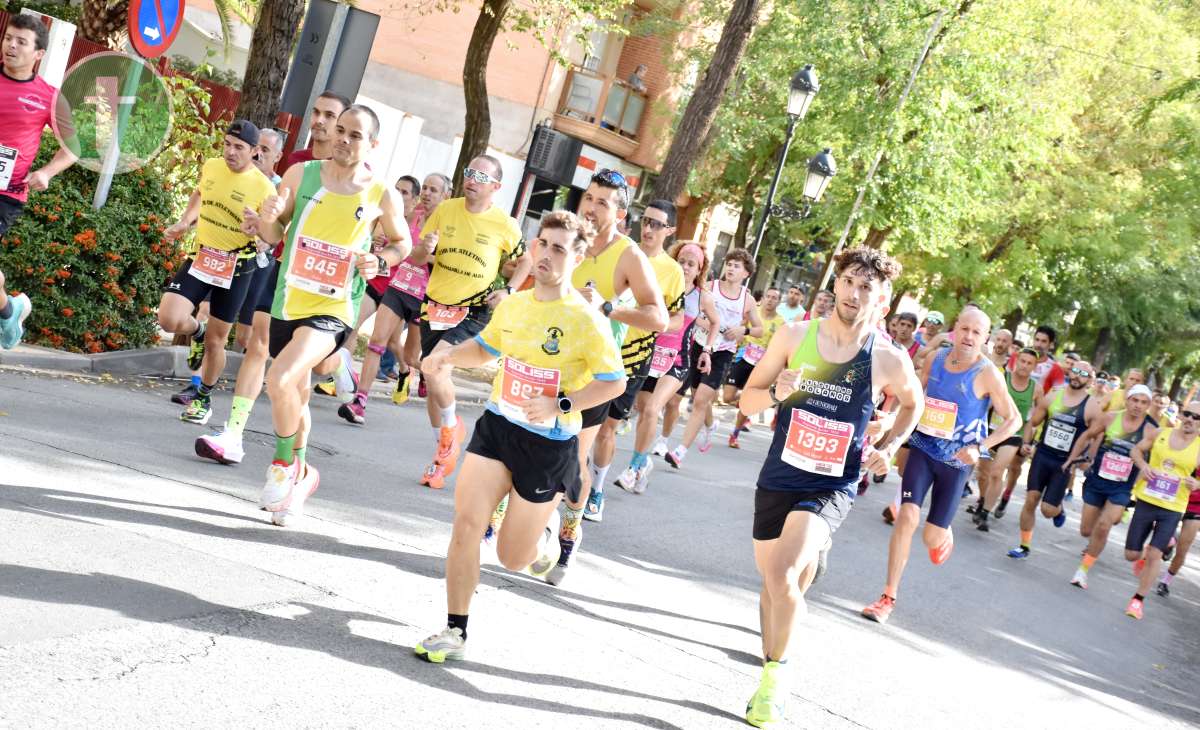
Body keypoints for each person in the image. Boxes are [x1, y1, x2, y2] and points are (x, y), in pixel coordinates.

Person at [412, 211, 626, 663]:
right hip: (498, 427)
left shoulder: (587, 320)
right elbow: (487, 348)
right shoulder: (513, 304)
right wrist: (449, 356)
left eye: (559, 249)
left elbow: (613, 382)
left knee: (512, 557)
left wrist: (562, 403)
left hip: (549, 444)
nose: (546, 254)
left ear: (579, 256)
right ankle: (455, 629)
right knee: (467, 525)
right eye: (542, 244)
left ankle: (545, 537)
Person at [740, 247, 922, 728]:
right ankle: (769, 667)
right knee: (773, 582)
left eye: (868, 288)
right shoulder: (795, 335)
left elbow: (913, 404)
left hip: (833, 483)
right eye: (849, 282)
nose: (855, 294)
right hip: (781, 472)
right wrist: (777, 392)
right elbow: (747, 398)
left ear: (881, 300)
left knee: (781, 572)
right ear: (835, 283)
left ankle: (775, 683)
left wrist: (890, 439)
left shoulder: (886, 358)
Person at [244, 105, 410, 526]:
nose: (343, 139)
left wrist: (380, 260)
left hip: (334, 308)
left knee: (279, 378)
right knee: (294, 395)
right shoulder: (303, 175)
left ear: (372, 145)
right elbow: (275, 232)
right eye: (340, 131)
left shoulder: (380, 192)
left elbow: (402, 242)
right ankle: (301, 475)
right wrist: (262, 221)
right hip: (288, 299)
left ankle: (282, 467)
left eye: (355, 135)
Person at [861, 308, 1020, 624]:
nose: (969, 337)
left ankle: (942, 532)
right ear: (954, 329)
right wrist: (891, 422)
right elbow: (915, 402)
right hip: (922, 447)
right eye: (964, 329)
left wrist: (980, 448)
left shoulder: (988, 373)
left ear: (985, 337)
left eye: (976, 332)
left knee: (930, 538)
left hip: (956, 461)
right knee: (906, 516)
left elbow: (1013, 420)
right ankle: (887, 596)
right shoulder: (936, 359)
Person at [549, 169, 667, 585]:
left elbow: (659, 318)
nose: (592, 207)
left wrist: (608, 308)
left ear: (620, 213)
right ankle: (505, 524)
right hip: (551, 362)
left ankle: (567, 535)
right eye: (589, 197)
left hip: (598, 373)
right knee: (527, 440)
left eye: (603, 202)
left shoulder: (629, 255)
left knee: (573, 456)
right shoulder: (567, 237)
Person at [410, 156, 530, 489]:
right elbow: (418, 258)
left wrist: (508, 290)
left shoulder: (504, 224)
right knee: (431, 378)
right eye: (469, 173)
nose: (472, 180)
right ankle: (442, 452)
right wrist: (424, 248)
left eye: (480, 176)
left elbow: (525, 261)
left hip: (474, 309)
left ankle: (452, 430)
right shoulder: (446, 210)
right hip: (434, 306)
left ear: (496, 186)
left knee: (435, 367)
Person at [157, 120, 277, 425]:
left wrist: (259, 227)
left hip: (237, 266)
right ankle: (195, 330)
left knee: (217, 341)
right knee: (169, 318)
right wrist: (186, 220)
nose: (230, 152)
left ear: (253, 152)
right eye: (226, 144)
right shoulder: (212, 166)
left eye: (238, 147)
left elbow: (273, 236)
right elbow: (199, 194)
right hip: (202, 257)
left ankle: (203, 398)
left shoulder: (263, 187)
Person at [602, 241, 720, 510]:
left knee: (653, 409)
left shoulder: (701, 296)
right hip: (650, 354)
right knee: (643, 409)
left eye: (692, 263)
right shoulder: (660, 281)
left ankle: (632, 468)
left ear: (700, 269)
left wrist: (708, 350)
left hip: (677, 360)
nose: (685, 267)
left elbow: (715, 322)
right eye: (682, 260)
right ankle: (643, 462)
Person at [587, 199, 683, 514]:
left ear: (670, 230)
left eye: (658, 224)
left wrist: (634, 316)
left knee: (606, 430)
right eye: (646, 220)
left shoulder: (672, 271)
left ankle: (596, 491)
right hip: (596, 349)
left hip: (633, 356)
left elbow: (676, 319)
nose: (649, 228)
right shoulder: (622, 251)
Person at [338, 172, 451, 423]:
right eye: (427, 188)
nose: (428, 194)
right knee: (377, 341)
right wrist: (384, 241)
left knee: (411, 357)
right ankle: (360, 402)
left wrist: (425, 254)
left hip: (424, 296)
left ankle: (424, 373)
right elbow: (398, 241)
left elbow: (447, 261)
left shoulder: (449, 227)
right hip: (398, 286)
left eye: (434, 190)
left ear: (446, 196)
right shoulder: (413, 214)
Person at [0, 13, 77, 350]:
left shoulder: (47, 96)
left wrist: (46, 172)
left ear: (38, 54)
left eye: (21, 41)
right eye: (8, 38)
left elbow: (73, 148)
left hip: (7, 193)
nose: (11, 45)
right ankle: (9, 310)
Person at [665, 248, 762, 468]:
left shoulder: (747, 300)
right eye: (729, 263)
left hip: (723, 353)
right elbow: (692, 313)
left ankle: (680, 451)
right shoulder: (709, 288)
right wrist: (706, 324)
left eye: (737, 266)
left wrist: (742, 331)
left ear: (746, 273)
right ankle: (711, 425)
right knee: (697, 394)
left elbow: (759, 329)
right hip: (698, 344)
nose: (730, 268)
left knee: (699, 400)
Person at [1006, 361, 1098, 559]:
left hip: (1064, 464)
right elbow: (1033, 422)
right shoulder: (1054, 396)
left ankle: (1057, 511)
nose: (1077, 376)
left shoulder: (1091, 406)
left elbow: (1097, 435)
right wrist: (1026, 442)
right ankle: (1024, 546)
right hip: (1043, 456)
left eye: (1083, 374)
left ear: (1090, 380)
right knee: (1030, 500)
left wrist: (1087, 457)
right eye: (1075, 371)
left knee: (1047, 510)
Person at [1064, 385, 1153, 588]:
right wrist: (1075, 459)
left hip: (1121, 488)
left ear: (1147, 405)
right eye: (1135, 400)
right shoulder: (1110, 418)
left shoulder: (1149, 431)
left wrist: (1140, 484)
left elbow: (1155, 459)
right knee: (1086, 531)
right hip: (1098, 481)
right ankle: (1095, 536)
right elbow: (1087, 436)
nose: (1138, 406)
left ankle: (1082, 571)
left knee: (1103, 526)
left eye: (1143, 402)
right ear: (1127, 400)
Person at [1122, 403, 1200, 619]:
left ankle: (1137, 601)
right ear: (1181, 414)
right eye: (1187, 414)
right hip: (1147, 500)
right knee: (1131, 554)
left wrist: (1197, 484)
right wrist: (1142, 465)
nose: (1191, 419)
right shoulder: (1161, 433)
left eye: (1197, 417)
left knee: (1156, 555)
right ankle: (1143, 555)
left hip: (1173, 508)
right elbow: (1136, 449)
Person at [970, 347, 1038, 531]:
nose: (1024, 366)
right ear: (1016, 361)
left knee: (996, 472)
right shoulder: (1002, 378)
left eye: (1029, 363)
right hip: (991, 431)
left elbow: (1032, 420)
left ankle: (985, 512)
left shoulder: (1035, 389)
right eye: (1022, 361)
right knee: (983, 474)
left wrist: (1027, 442)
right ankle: (983, 499)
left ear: (1034, 367)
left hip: (1013, 435)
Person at [726, 287, 785, 448]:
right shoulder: (753, 312)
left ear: (779, 302)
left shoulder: (781, 323)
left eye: (775, 298)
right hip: (743, 357)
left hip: (761, 364)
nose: (771, 300)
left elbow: (779, 346)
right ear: (763, 297)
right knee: (727, 397)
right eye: (768, 296)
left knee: (746, 402)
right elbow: (740, 327)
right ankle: (745, 400)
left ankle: (735, 434)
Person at [283, 91, 352, 168]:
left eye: (329, 115)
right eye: (316, 112)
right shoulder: (296, 159)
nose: (319, 120)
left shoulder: (350, 169)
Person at [1156, 480, 1200, 596]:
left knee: (1182, 549)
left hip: (1196, 507)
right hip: (1174, 499)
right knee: (1165, 540)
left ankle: (1165, 582)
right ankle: (1170, 543)